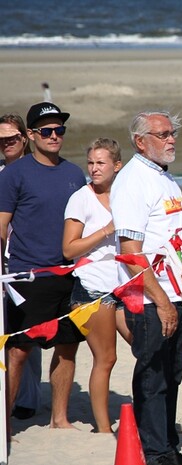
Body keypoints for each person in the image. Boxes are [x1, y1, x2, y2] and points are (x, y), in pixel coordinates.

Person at [111, 111, 182, 465]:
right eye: (162, 134)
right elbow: (130, 252)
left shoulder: (162, 177)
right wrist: (162, 302)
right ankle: (156, 454)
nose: (171, 140)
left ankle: (168, 449)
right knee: (153, 378)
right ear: (140, 141)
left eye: (172, 133)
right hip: (150, 300)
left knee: (172, 374)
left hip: (177, 296)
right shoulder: (133, 180)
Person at [0, 102, 87, 428]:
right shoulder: (14, 174)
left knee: (67, 347)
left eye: (59, 130)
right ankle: (4, 423)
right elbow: (1, 227)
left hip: (68, 274)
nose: (54, 136)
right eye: (47, 131)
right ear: (32, 135)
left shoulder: (73, 173)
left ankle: (60, 419)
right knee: (19, 352)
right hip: (27, 275)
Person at [62, 138, 132, 433]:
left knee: (144, 346)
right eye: (90, 162)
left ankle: (147, 415)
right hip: (91, 290)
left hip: (124, 286)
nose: (94, 168)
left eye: (101, 163)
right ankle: (103, 429)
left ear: (117, 166)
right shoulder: (81, 197)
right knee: (106, 358)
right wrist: (106, 230)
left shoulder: (125, 195)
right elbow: (68, 249)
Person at [0, 113, 41, 420]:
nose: (6, 145)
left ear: (24, 138)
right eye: (1, 141)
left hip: (28, 262)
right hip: (4, 258)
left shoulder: (38, 170)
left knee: (27, 335)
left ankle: (27, 400)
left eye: (11, 139)